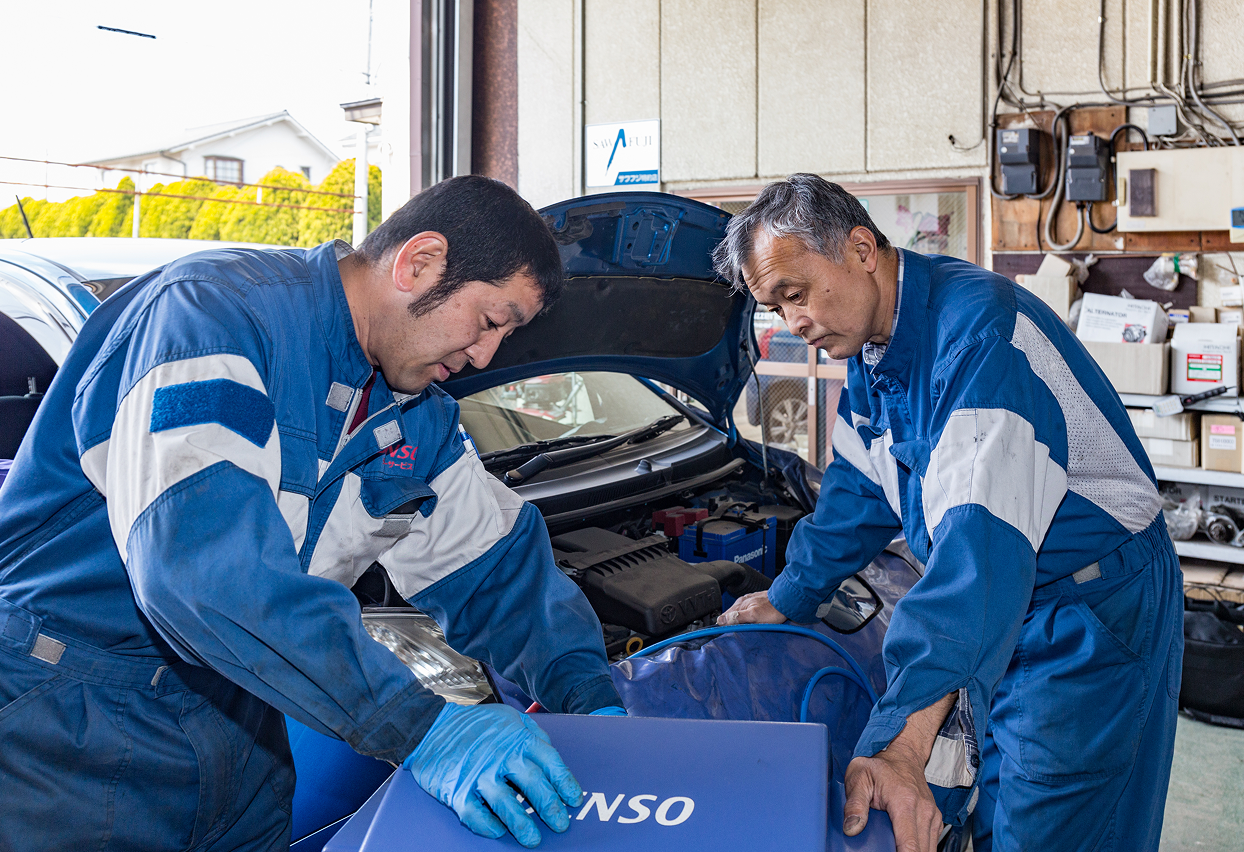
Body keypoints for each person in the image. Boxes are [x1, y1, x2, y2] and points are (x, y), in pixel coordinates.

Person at [0, 175, 625, 851]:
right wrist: (424, 728)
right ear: (420, 263)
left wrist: (592, 702)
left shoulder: (416, 416)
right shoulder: (210, 321)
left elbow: (498, 576)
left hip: (240, 715)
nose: (485, 355)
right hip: (65, 719)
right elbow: (204, 574)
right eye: (491, 321)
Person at [715, 174, 1182, 852]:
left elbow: (976, 559)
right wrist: (790, 595)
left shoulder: (980, 340)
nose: (793, 323)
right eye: (774, 307)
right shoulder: (875, 350)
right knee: (985, 811)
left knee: (1049, 825)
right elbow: (858, 491)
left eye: (796, 293)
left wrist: (900, 745)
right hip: (1003, 602)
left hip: (1090, 611)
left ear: (860, 250)